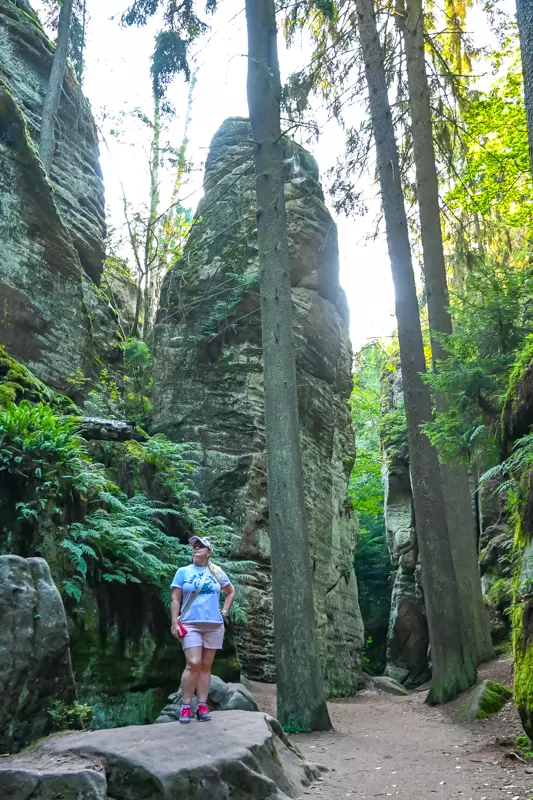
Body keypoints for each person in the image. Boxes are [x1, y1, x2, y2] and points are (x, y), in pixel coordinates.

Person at [170, 535, 235, 724]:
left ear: (209, 552)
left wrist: (225, 610)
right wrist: (175, 622)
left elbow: (230, 591)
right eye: (194, 546)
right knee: (193, 662)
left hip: (214, 625)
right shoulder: (183, 572)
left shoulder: (217, 572)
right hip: (190, 624)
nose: (196, 548)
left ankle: (202, 705)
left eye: (200, 546)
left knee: (206, 666)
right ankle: (186, 705)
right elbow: (175, 599)